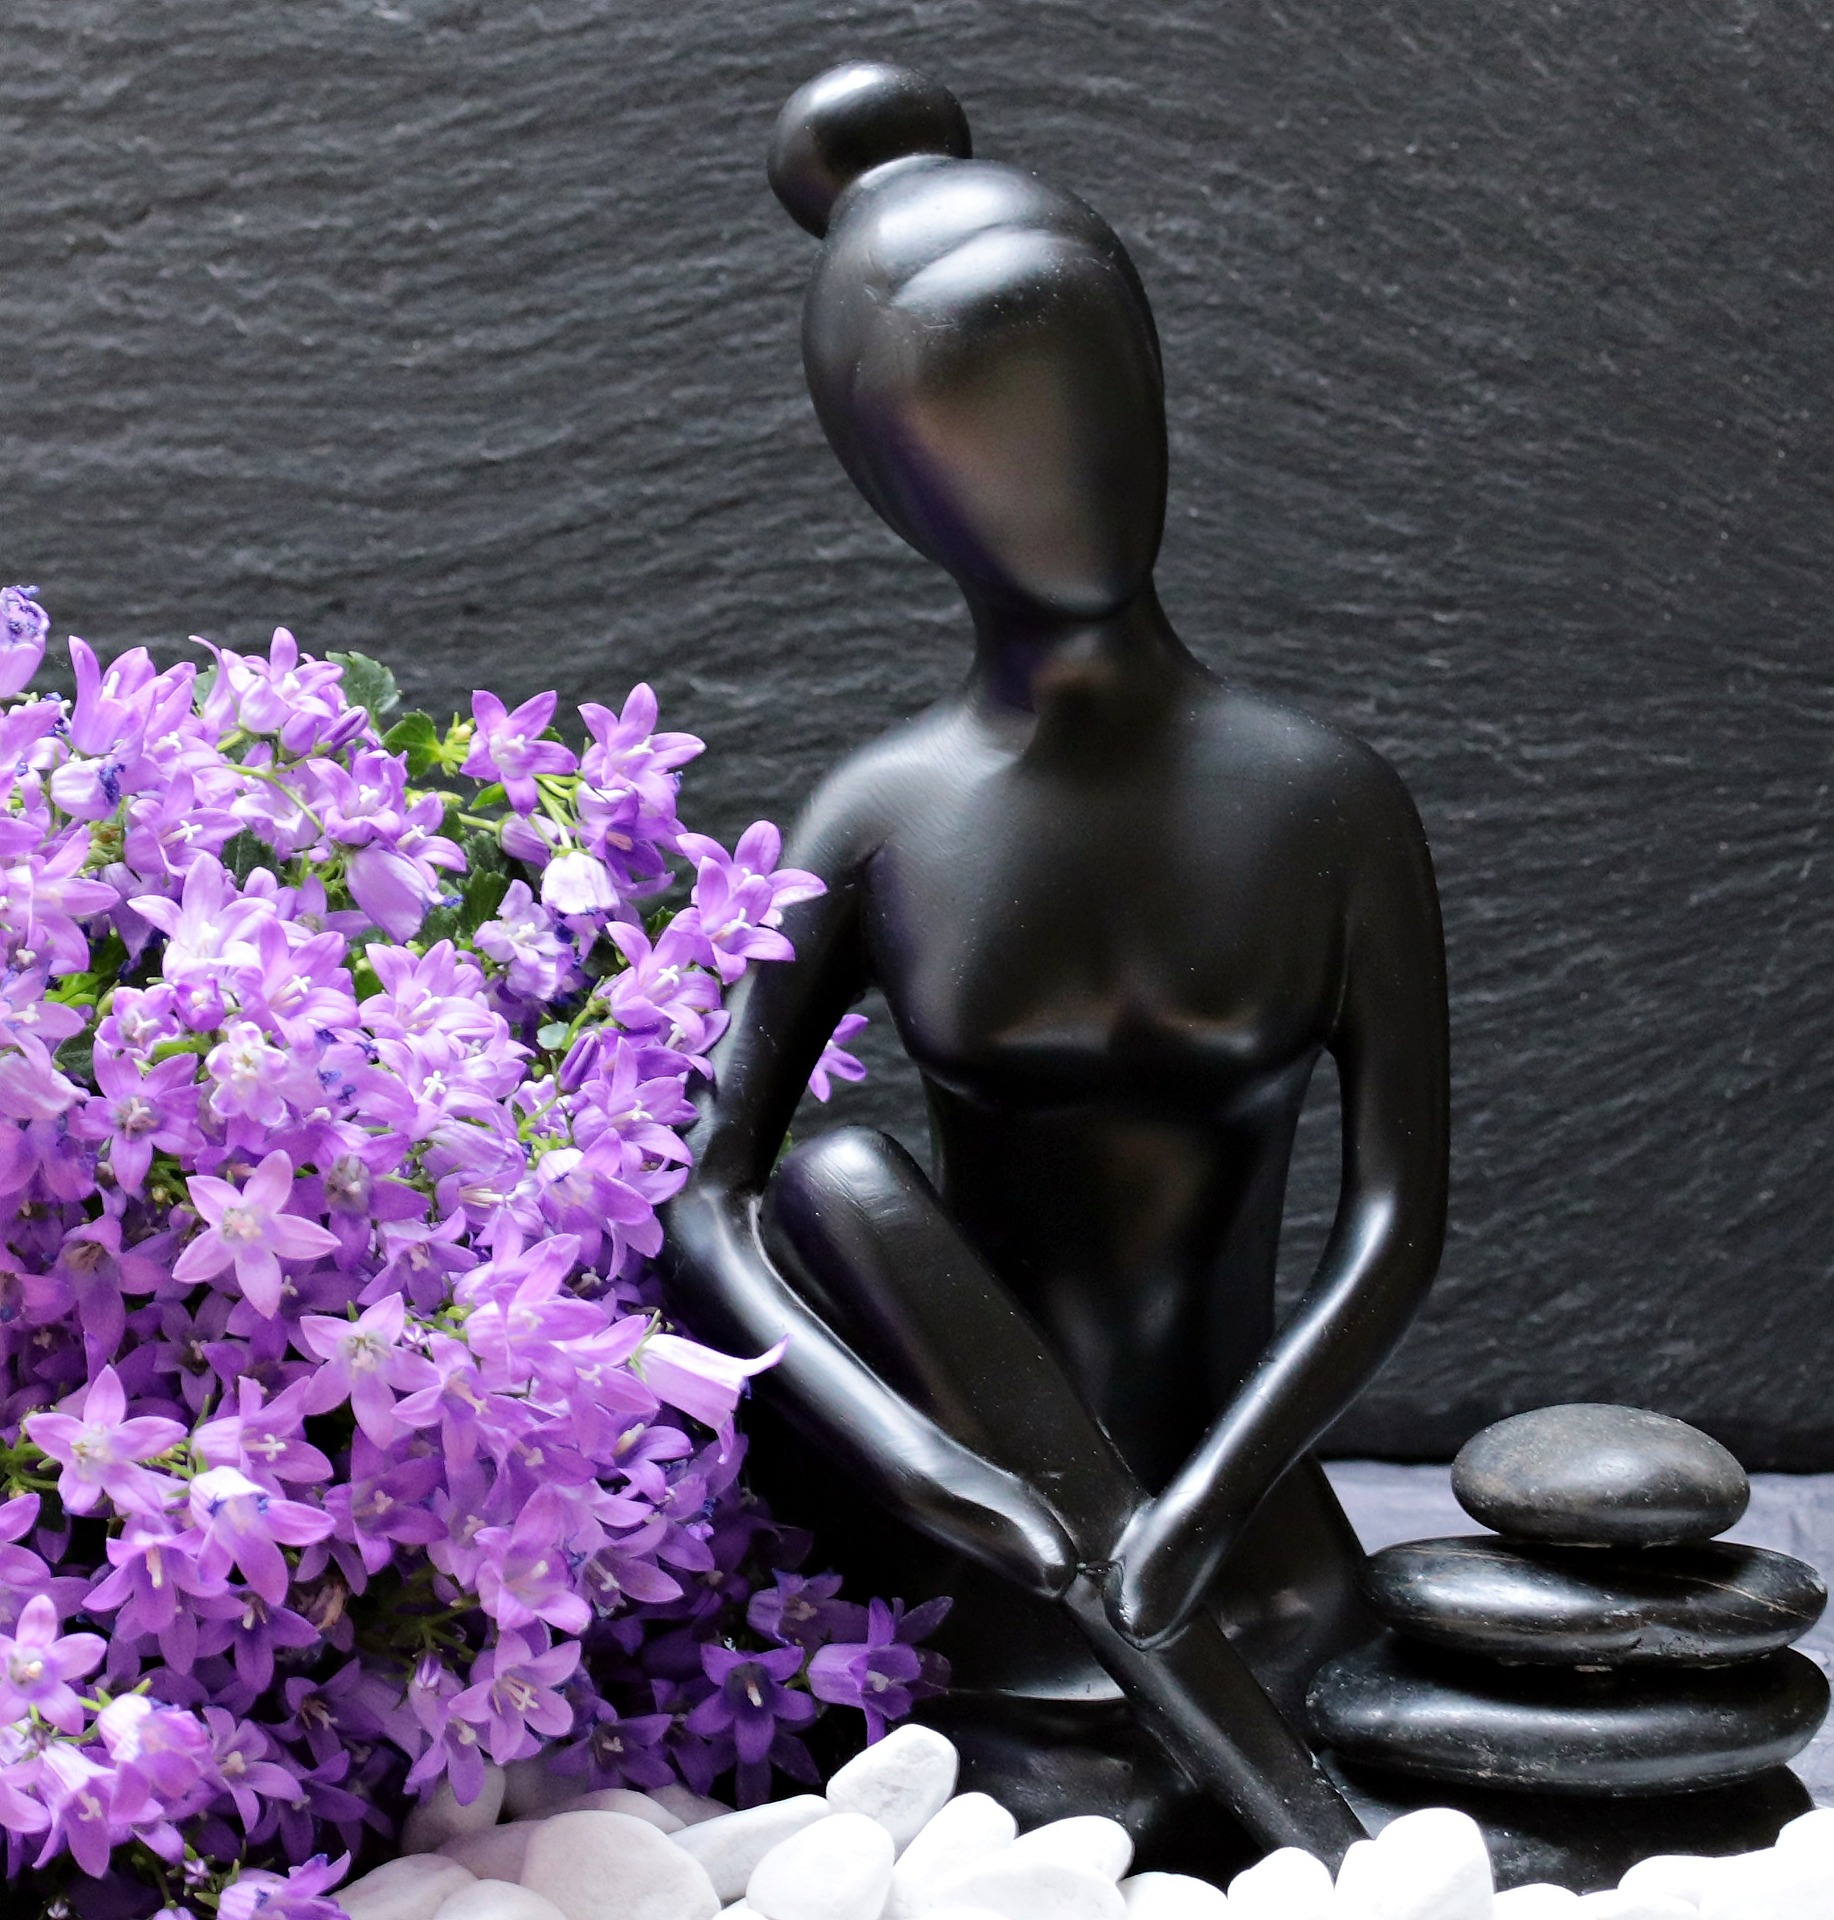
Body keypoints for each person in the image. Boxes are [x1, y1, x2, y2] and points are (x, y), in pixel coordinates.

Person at [664, 62, 1448, 1872]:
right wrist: (905, 1456)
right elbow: (708, 1200)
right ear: (895, 485)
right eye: (980, 422)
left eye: (1088, 396)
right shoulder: (876, 815)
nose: (1060, 472)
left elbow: (1397, 1222)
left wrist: (1204, 1502)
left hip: (1246, 1556)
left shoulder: (1325, 804)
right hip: (979, 1563)